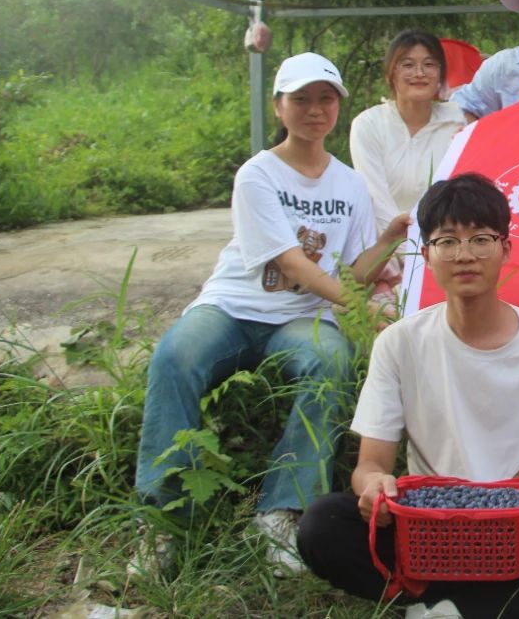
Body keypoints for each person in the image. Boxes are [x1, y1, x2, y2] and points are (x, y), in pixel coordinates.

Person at [297, 174, 519, 619]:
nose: (464, 255)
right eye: (447, 241)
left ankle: (442, 609)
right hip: (427, 531)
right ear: (426, 254)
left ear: (505, 248)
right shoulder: (400, 343)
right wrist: (373, 489)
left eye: (481, 239)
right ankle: (506, 606)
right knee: (323, 524)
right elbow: (371, 463)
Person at [130, 52, 409, 578]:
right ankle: (164, 521)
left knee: (330, 360)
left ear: (338, 106)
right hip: (233, 308)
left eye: (325, 99)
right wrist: (361, 311)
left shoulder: (349, 184)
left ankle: (282, 512)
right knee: (174, 357)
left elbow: (350, 274)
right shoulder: (257, 174)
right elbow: (292, 263)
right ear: (278, 106)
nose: (315, 109)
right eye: (301, 99)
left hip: (301, 318)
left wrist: (388, 240)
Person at [349, 30, 464, 237]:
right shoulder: (368, 125)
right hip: (383, 245)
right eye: (408, 65)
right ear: (390, 74)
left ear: (440, 74)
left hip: (445, 243)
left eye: (429, 64)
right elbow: (376, 199)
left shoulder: (459, 122)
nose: (419, 73)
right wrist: (409, 247)